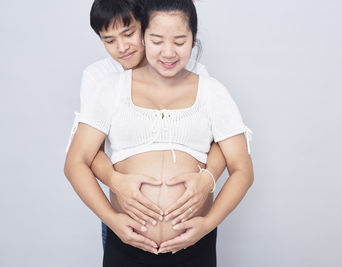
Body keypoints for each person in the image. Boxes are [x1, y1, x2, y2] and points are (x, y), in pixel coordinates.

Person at [64, 0, 253, 265]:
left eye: (128, 34)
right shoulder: (104, 82)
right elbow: (80, 158)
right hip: (127, 238)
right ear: (147, 37)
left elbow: (232, 156)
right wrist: (113, 209)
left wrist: (208, 192)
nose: (122, 46)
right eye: (110, 40)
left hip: (194, 241)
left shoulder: (207, 85)